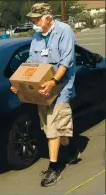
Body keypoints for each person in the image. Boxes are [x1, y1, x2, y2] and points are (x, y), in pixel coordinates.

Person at [11, 3, 80, 187]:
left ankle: (54, 168)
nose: (34, 21)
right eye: (32, 18)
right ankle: (71, 148)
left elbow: (66, 61)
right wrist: (19, 82)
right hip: (43, 91)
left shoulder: (64, 31)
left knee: (53, 129)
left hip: (61, 86)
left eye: (37, 18)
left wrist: (54, 82)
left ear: (49, 17)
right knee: (56, 129)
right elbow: (31, 62)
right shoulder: (37, 36)